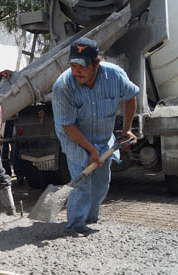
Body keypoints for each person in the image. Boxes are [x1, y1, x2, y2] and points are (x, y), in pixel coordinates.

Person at [51, 37, 138, 236]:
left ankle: (90, 218)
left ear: (96, 63)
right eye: (73, 65)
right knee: (82, 180)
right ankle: (75, 225)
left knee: (100, 184)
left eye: (81, 66)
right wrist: (90, 150)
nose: (76, 71)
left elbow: (130, 96)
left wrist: (127, 129)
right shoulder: (63, 86)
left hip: (102, 136)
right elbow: (68, 125)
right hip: (74, 137)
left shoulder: (115, 76)